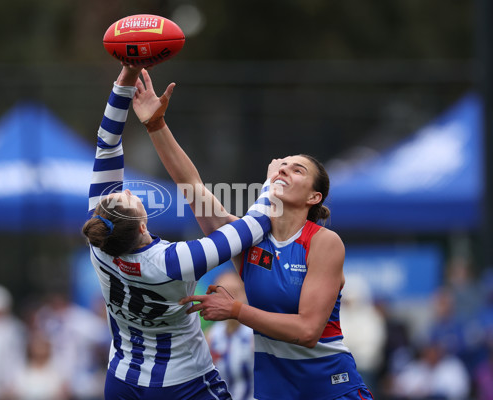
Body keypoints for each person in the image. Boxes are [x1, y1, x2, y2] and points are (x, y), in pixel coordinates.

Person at [133, 68, 374, 399]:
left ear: (313, 197)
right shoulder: (247, 239)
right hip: (274, 392)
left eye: (297, 169)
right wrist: (155, 125)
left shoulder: (322, 241)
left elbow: (307, 331)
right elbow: (192, 187)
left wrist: (236, 311)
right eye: (282, 165)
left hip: (330, 390)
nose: (284, 169)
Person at [81, 64, 273, 400]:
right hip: (183, 384)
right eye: (128, 196)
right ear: (142, 224)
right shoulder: (173, 261)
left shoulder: (101, 245)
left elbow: (106, 144)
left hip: (122, 380)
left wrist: (124, 80)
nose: (126, 189)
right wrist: (275, 183)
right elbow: (250, 228)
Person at [205, 271, 255, 400]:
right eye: (222, 295)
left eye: (235, 292)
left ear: (246, 294)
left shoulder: (255, 335)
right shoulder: (210, 336)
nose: (230, 300)